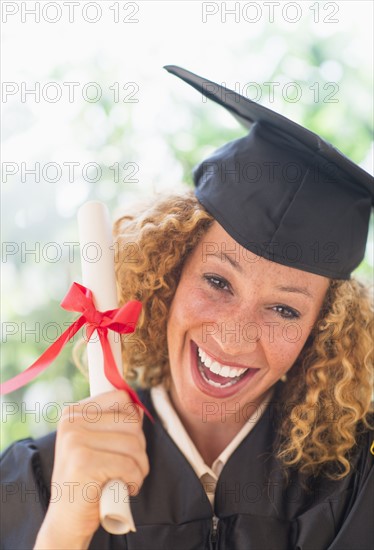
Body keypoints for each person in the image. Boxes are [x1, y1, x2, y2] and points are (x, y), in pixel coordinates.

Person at [1, 66, 373, 550]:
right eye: (218, 281)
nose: (235, 336)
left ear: (321, 331)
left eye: (284, 310)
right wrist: (66, 527)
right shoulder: (36, 479)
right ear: (169, 275)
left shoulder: (353, 484)